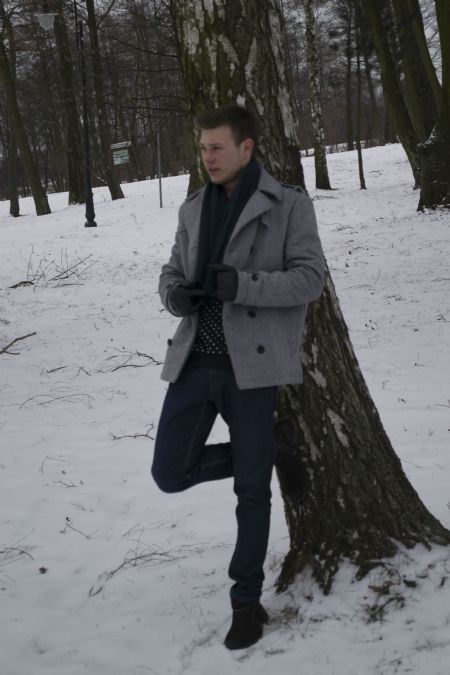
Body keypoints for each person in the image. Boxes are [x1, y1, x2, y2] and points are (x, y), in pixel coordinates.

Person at [151, 104, 324, 650]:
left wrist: (244, 285)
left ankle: (246, 604)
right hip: (193, 363)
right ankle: (269, 449)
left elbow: (310, 279)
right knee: (169, 472)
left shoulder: (288, 204)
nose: (207, 157)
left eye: (217, 147)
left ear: (246, 148)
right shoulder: (193, 207)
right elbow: (170, 272)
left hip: (252, 365)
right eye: (203, 148)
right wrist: (174, 294)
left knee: (252, 492)